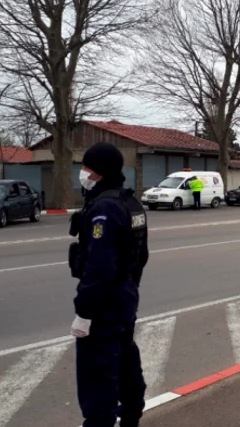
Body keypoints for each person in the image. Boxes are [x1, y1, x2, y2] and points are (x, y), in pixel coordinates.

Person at [68, 142, 149, 427]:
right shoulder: (130, 202)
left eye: (87, 168)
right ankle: (131, 416)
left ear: (99, 172)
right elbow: (142, 256)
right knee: (125, 359)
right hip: (125, 295)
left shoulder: (104, 208)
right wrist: (129, 288)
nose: (83, 173)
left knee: (97, 374)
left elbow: (99, 268)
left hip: (104, 302)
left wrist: (84, 312)